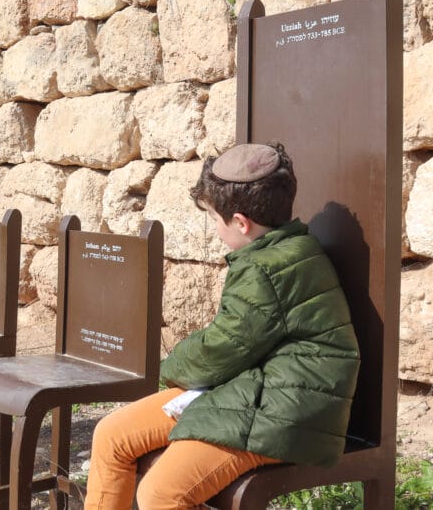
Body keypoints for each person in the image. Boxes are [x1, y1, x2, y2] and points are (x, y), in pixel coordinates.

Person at [84, 142, 360, 510]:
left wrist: (170, 368)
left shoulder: (264, 268)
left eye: (215, 218)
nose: (215, 230)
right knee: (112, 435)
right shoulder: (284, 249)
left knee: (161, 494)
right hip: (251, 388)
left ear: (242, 223)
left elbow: (222, 348)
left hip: (282, 409)